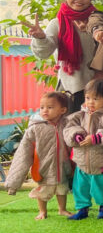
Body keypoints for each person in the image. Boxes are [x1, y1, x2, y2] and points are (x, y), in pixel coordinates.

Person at [27, 0, 97, 110]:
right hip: (70, 87)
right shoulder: (57, 23)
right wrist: (41, 38)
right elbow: (43, 53)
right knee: (69, 122)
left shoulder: (98, 21)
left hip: (98, 86)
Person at [5, 92, 72, 220]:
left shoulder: (67, 125)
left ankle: (62, 209)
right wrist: (13, 183)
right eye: (42, 107)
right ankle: (42, 211)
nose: (45, 110)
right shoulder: (35, 128)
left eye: (50, 107)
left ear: (62, 110)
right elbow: (23, 154)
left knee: (62, 189)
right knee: (42, 191)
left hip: (62, 166)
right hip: (43, 168)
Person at [63, 79, 103, 221]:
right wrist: (76, 135)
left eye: (96, 99)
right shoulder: (80, 115)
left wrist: (96, 138)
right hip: (81, 161)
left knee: (101, 186)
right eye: (88, 98)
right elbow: (68, 127)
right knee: (80, 187)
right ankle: (82, 209)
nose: (90, 102)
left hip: (100, 162)